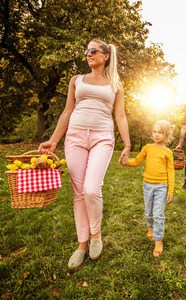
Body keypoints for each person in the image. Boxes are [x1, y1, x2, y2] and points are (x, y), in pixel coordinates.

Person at [38, 39, 131, 270]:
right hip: (75, 138)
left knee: (92, 188)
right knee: (79, 192)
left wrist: (127, 144)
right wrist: (53, 140)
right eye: (87, 50)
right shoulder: (76, 80)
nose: (88, 54)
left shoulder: (116, 85)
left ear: (105, 56)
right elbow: (67, 111)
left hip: (102, 138)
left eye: (93, 50)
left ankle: (96, 234)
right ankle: (82, 244)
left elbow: (120, 116)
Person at [121, 120, 174, 256]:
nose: (156, 135)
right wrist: (127, 163)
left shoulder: (168, 152)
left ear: (166, 135)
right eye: (154, 132)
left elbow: (171, 172)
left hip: (162, 186)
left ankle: (158, 240)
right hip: (147, 185)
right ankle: (150, 228)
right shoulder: (147, 148)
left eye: (160, 132)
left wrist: (170, 190)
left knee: (158, 214)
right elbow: (137, 161)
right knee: (149, 212)